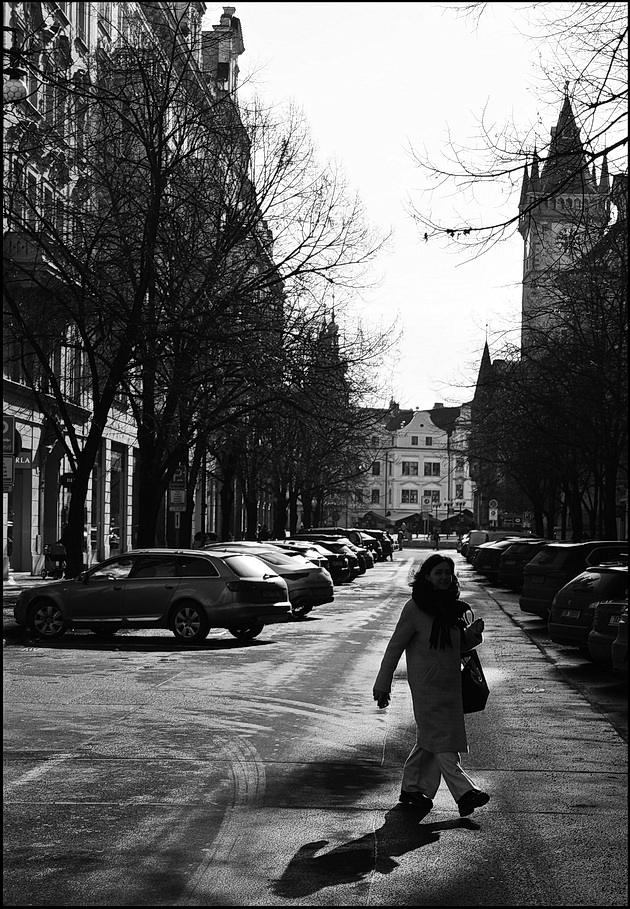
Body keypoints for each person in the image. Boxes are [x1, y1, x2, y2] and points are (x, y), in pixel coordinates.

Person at [372, 554, 490, 820]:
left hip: (450, 685)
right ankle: (465, 792)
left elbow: (456, 646)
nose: (444, 577)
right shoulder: (414, 608)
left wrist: (472, 634)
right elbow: (395, 647)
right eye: (438, 572)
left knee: (430, 739)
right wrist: (383, 682)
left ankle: (412, 789)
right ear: (427, 576)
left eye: (448, 572)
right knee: (442, 740)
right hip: (427, 687)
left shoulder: (450, 607)